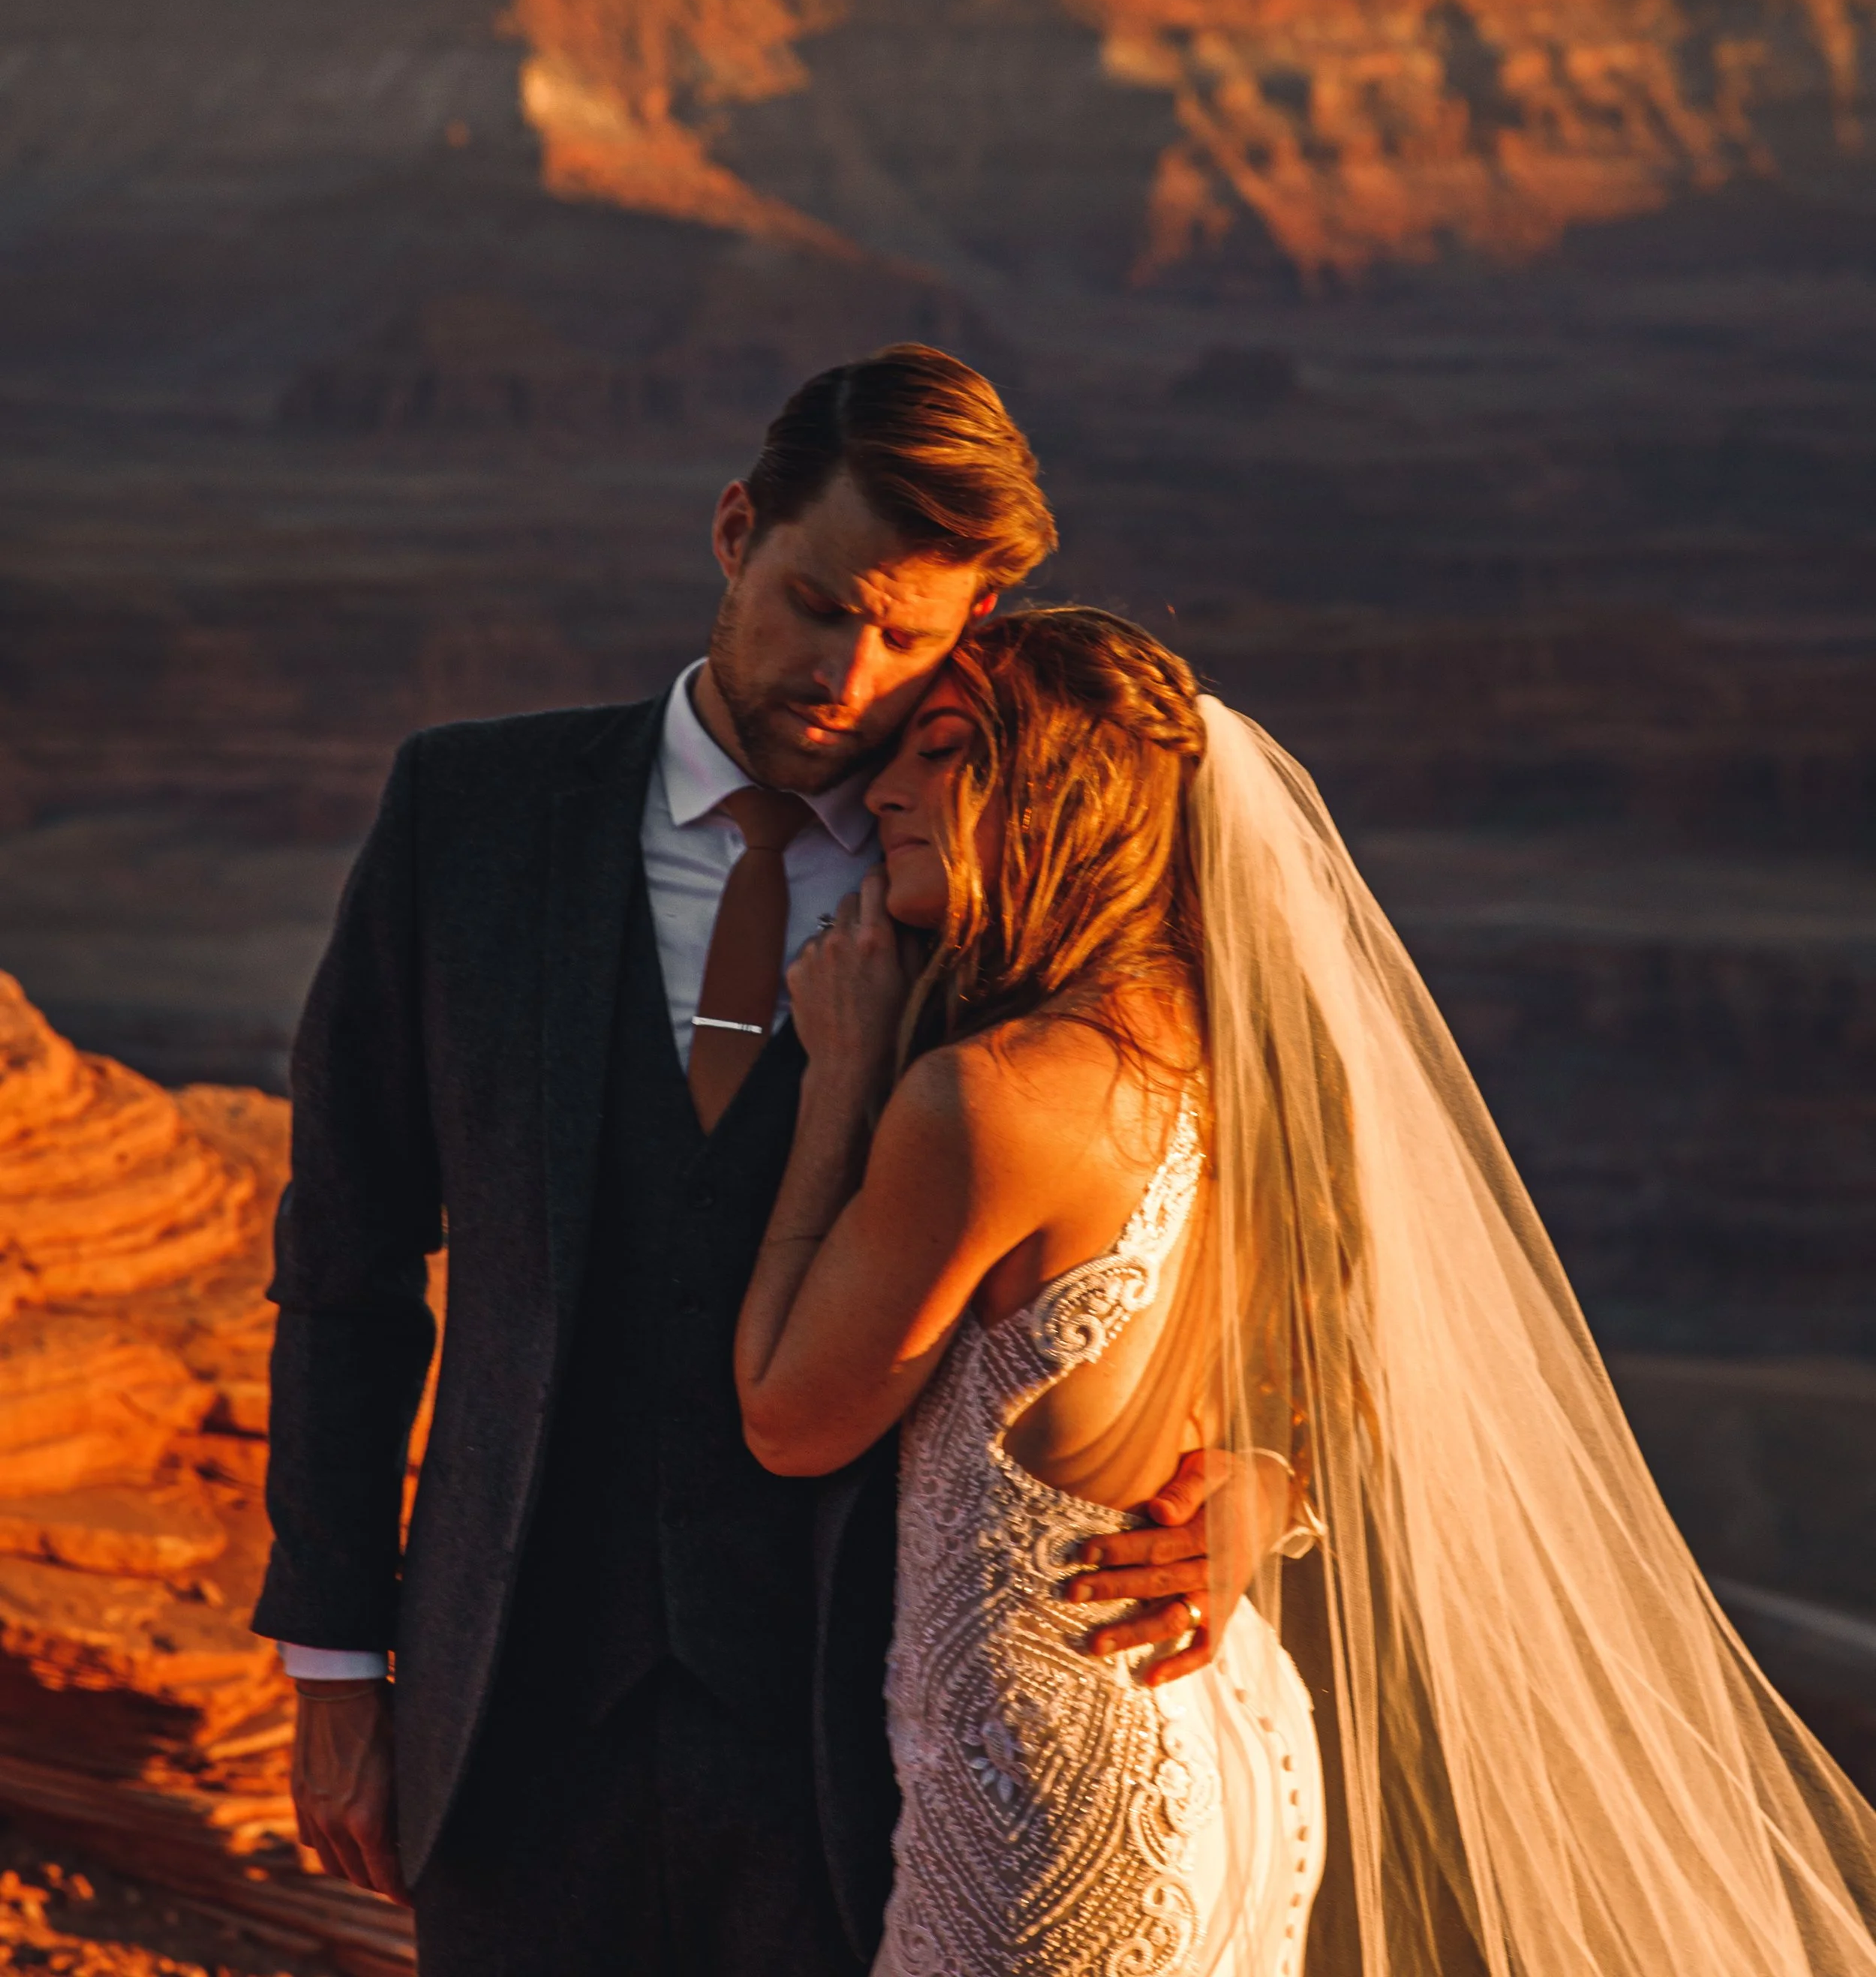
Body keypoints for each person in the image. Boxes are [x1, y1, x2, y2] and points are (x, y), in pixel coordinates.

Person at [253, 345, 1238, 1977]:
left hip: (859, 1755)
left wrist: (1251, 1491)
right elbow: (346, 1264)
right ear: (732, 532)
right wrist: (337, 1671)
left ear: (972, 630)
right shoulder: (468, 814)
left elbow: (1245, 1224)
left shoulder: (1005, 909)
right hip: (510, 1712)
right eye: (815, 600)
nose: (848, 675)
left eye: (910, 637)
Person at [738, 606, 1876, 1977]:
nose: (886, 792)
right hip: (1232, 1748)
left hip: (1048, 1800)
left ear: (1062, 791)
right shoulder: (1229, 1068)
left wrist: (837, 1090)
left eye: (945, 752)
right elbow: (1321, 1374)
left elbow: (790, 1419)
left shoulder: (987, 1103)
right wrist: (1263, 1487)